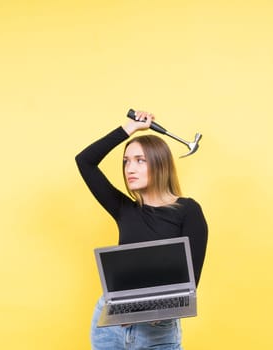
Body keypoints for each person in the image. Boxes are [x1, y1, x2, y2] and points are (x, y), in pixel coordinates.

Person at [75, 110, 208, 350]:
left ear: (160, 163)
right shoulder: (123, 208)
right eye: (126, 161)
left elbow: (190, 281)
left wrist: (155, 311)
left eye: (140, 160)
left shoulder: (188, 211)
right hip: (110, 326)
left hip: (156, 329)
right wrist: (130, 129)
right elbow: (85, 161)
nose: (129, 168)